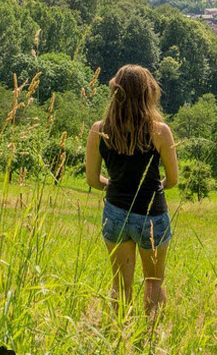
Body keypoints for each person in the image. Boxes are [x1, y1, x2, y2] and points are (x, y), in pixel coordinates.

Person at [85, 64, 178, 317]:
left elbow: (92, 179)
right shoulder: (160, 131)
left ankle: (118, 336)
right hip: (152, 217)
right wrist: (158, 187)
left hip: (115, 213)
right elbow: (173, 179)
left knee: (120, 284)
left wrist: (112, 185)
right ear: (148, 93)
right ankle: (150, 338)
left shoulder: (99, 129)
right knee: (154, 282)